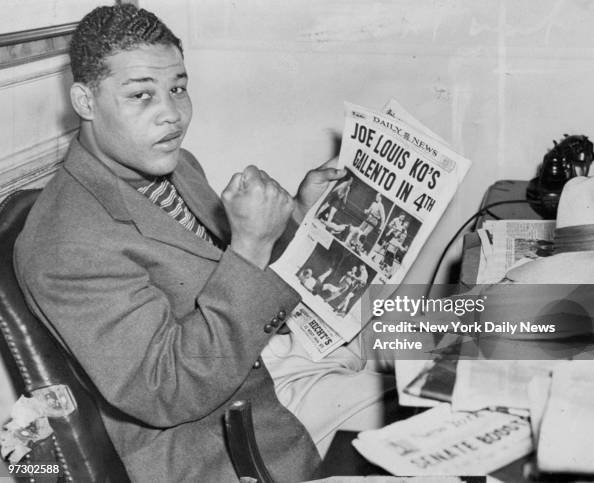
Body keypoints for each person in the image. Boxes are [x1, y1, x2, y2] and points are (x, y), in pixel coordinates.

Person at [13, 5, 393, 482]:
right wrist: (250, 246)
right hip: (219, 440)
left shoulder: (173, 165)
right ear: (85, 102)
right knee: (433, 418)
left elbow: (215, 278)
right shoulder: (65, 243)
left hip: (262, 368)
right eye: (141, 95)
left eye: (177, 88)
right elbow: (165, 390)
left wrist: (301, 214)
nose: (171, 114)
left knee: (443, 364)